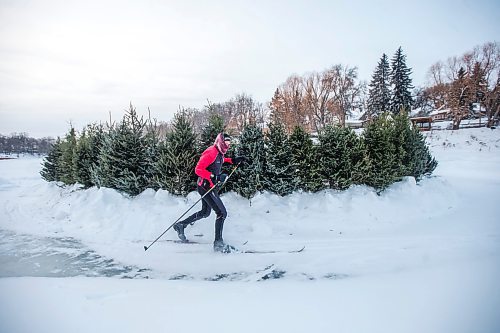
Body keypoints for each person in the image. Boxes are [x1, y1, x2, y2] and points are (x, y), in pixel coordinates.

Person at [173, 133, 246, 252]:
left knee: (205, 212)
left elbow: (220, 161)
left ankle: (181, 225)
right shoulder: (211, 152)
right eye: (226, 143)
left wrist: (233, 160)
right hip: (205, 187)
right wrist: (214, 177)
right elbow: (198, 169)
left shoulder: (220, 153)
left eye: (229, 143)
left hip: (209, 186)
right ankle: (218, 243)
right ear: (220, 142)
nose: (228, 145)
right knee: (222, 213)